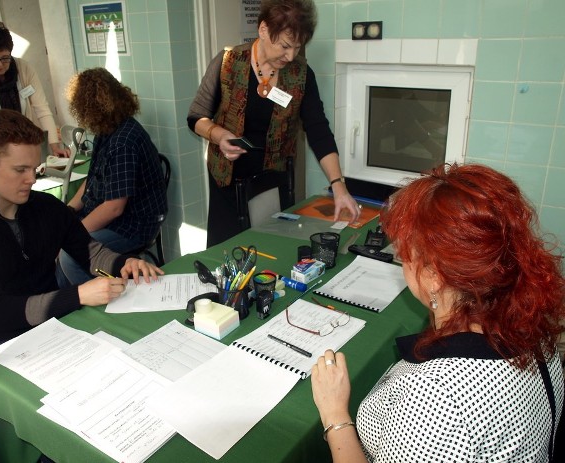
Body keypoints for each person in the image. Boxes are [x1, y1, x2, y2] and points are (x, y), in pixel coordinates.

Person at [311, 163, 565, 462]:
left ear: (433, 275)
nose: (401, 262)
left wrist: (334, 413)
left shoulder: (434, 401)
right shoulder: (530, 328)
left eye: (404, 255)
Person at [0, 109, 163, 363]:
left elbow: (90, 252)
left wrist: (124, 264)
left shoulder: (46, 207)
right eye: (20, 170)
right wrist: (79, 295)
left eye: (34, 168)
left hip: (51, 328)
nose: (31, 179)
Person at [188, 0, 360, 247]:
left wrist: (338, 186)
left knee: (271, 252)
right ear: (263, 30)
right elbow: (196, 117)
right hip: (227, 181)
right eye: (285, 46)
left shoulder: (301, 74)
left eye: (298, 47)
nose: (291, 56)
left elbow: (318, 130)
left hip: (273, 182)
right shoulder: (228, 62)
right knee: (226, 255)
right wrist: (218, 135)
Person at [57, 68, 167, 286]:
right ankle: (68, 310)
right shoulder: (107, 131)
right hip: (115, 218)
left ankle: (97, 304)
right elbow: (92, 180)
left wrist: (72, 233)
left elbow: (114, 208)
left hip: (134, 225)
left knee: (70, 256)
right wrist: (67, 212)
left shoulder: (123, 141)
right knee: (61, 255)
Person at [0, 21, 68, 157]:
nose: (0, 64)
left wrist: (55, 146)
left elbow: (42, 108)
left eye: (5, 58)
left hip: (24, 136)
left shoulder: (24, 68)